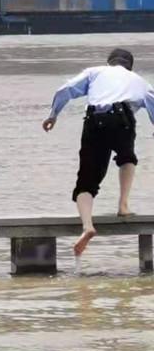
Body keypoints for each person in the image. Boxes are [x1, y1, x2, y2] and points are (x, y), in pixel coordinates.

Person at [42, 48, 154, 256]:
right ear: (130, 66)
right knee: (127, 157)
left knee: (86, 179)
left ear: (109, 62)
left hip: (94, 119)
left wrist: (53, 115)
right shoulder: (139, 81)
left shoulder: (95, 72)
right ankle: (123, 205)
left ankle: (87, 225)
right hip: (122, 117)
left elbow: (66, 89)